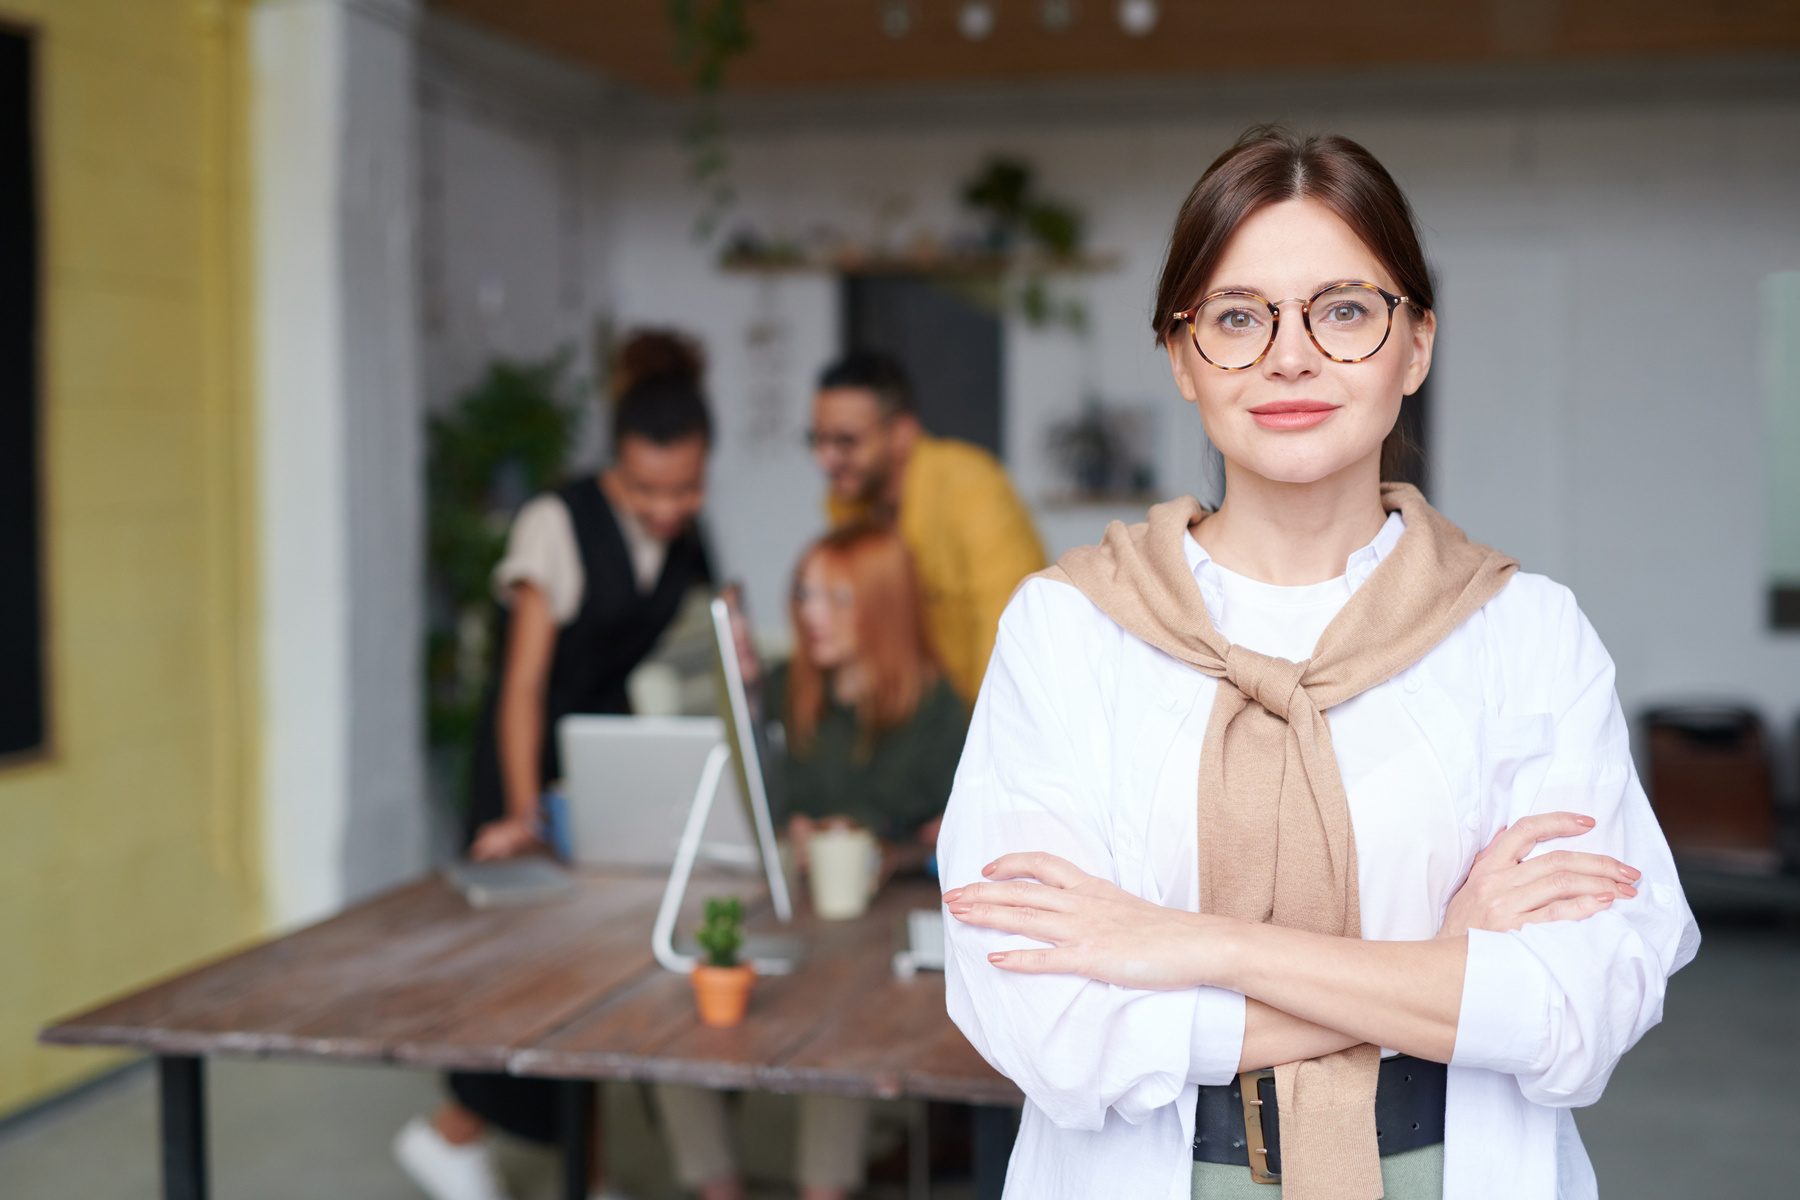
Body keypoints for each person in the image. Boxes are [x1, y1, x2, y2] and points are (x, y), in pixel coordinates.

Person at [937, 127, 1698, 1200]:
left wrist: (1187, 945)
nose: (1290, 357)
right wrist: (1437, 969)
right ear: (1182, 357)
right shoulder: (1066, 632)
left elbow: (1579, 1011)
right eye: (1239, 318)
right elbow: (1048, 1024)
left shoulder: (1525, 633)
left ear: (1417, 345)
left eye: (1344, 310)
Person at [395, 330, 715, 1200]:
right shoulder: (555, 521)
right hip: (522, 773)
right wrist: (525, 813)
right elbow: (522, 685)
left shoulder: (687, 535)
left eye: (686, 488)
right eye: (648, 489)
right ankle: (449, 1136)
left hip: (599, 771)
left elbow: (707, 632)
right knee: (524, 980)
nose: (666, 507)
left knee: (596, 978)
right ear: (618, 465)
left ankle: (592, 1172)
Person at [654, 525, 969, 1200]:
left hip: (882, 927)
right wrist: (737, 695)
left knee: (842, 1018)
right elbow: (740, 807)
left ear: (884, 605)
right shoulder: (780, 689)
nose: (811, 613)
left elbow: (965, 842)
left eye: (836, 597)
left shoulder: (943, 713)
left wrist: (895, 853)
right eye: (804, 593)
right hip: (792, 909)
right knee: (679, 1010)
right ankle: (719, 1190)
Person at [809, 351, 1045, 703]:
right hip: (912, 727)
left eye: (846, 441)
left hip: (983, 725)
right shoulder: (844, 506)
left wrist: (976, 748)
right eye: (817, 439)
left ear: (902, 435)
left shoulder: (973, 487)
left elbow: (1009, 639)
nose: (824, 459)